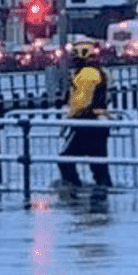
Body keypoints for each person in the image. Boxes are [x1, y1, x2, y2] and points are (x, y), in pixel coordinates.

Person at [57, 39, 113, 187]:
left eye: (74, 55)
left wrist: (70, 116)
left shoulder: (86, 74)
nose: (72, 59)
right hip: (99, 124)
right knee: (99, 166)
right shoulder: (96, 71)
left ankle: (74, 189)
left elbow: (81, 102)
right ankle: (103, 192)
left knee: (65, 159)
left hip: (86, 122)